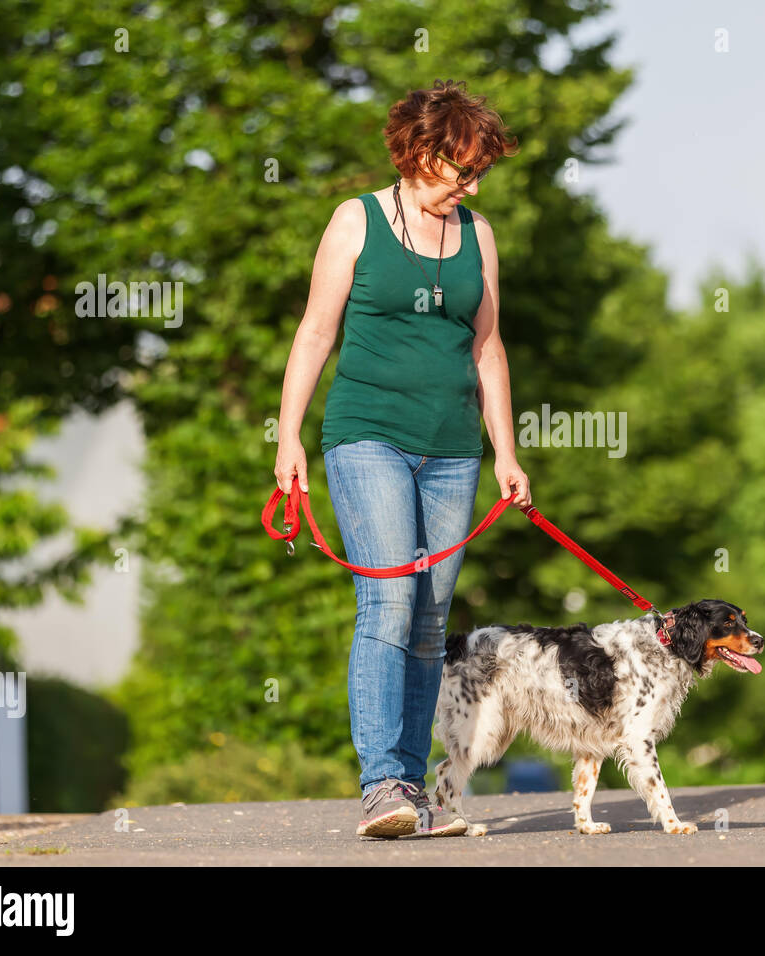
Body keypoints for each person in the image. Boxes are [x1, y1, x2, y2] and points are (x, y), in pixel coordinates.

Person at [273, 79, 528, 838]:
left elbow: (487, 347)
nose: (472, 185)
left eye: (479, 172)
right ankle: (383, 782)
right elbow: (315, 333)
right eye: (462, 170)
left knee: (430, 618)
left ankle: (413, 793)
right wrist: (287, 435)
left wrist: (506, 451)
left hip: (453, 450)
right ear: (420, 154)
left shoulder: (477, 234)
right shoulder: (355, 222)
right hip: (368, 435)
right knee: (389, 600)